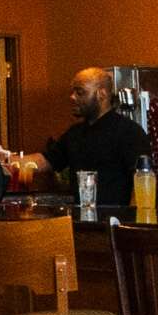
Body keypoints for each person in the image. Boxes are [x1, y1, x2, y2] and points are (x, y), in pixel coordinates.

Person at [43, 68, 150, 212]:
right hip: (82, 222)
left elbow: (142, 180)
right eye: (73, 92)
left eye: (80, 92)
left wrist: (132, 223)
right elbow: (48, 159)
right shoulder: (75, 133)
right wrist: (9, 162)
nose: (72, 97)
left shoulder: (128, 131)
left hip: (115, 222)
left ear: (102, 93)